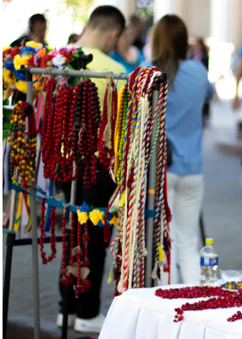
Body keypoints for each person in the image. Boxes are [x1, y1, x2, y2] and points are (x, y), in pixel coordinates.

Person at [57, 5, 126, 333]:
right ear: (113, 33)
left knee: (71, 230)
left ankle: (65, 308)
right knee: (95, 237)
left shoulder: (58, 62)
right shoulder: (116, 70)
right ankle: (86, 313)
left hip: (62, 164)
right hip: (97, 168)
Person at [145, 15, 213, 284]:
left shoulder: (148, 72)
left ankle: (167, 303)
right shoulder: (198, 71)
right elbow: (208, 96)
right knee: (189, 241)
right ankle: (194, 300)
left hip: (160, 168)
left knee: (164, 241)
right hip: (193, 168)